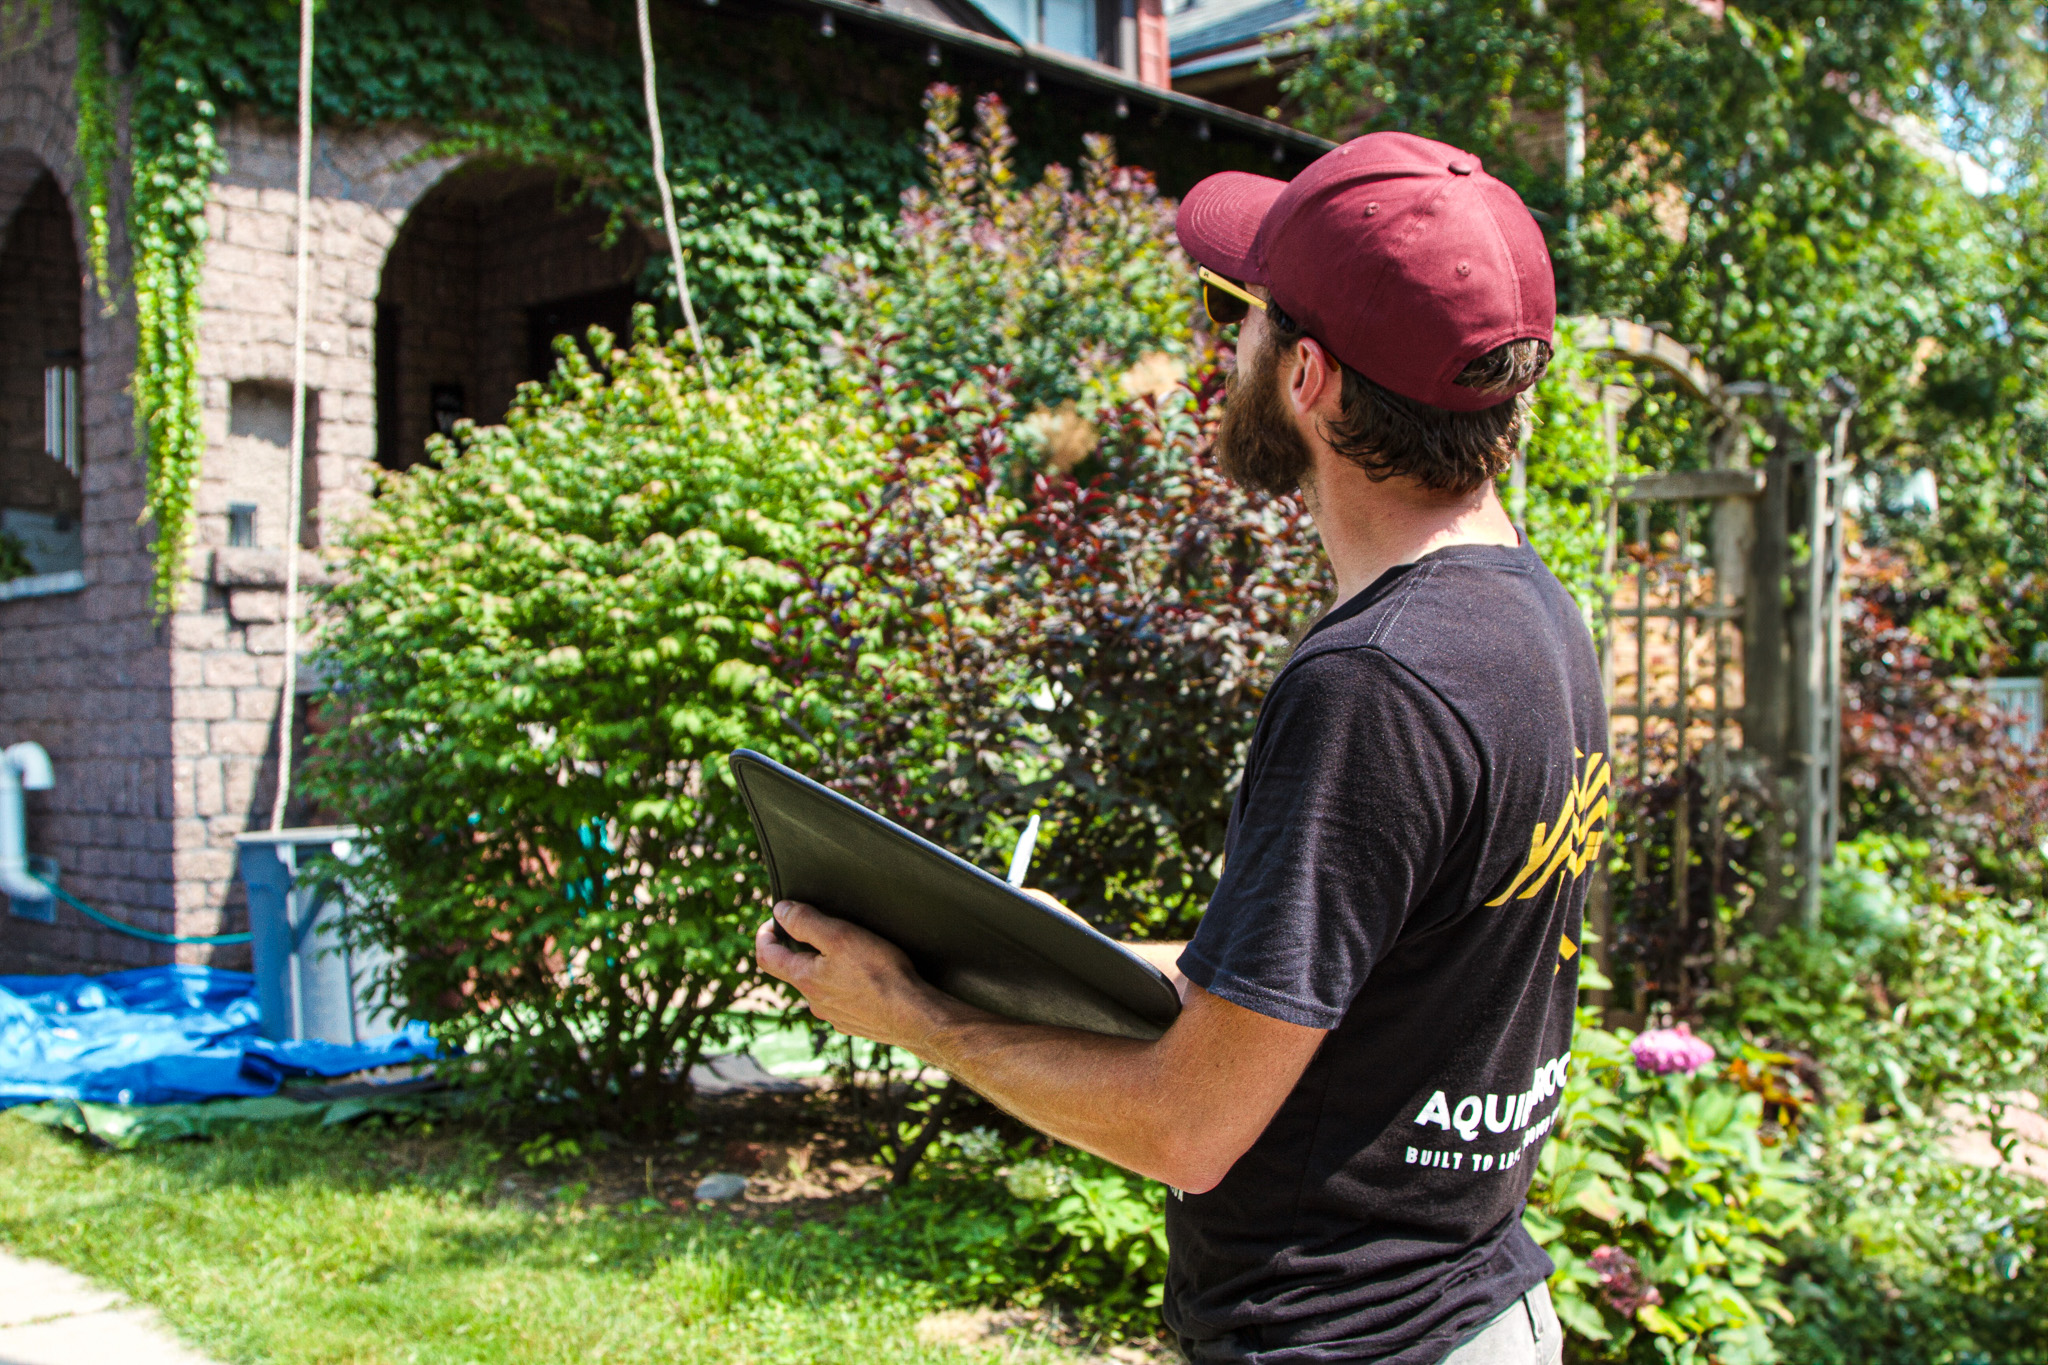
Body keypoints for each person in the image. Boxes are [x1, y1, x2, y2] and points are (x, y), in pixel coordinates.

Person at [755, 130, 1606, 1365]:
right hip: (1475, 1313)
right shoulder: (1535, 621)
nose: (1224, 349)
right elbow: (1378, 979)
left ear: (1306, 374)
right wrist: (1068, 957)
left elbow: (1184, 1129)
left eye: (1239, 316)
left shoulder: (1371, 684)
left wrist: (914, 1014)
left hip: (1349, 1340)